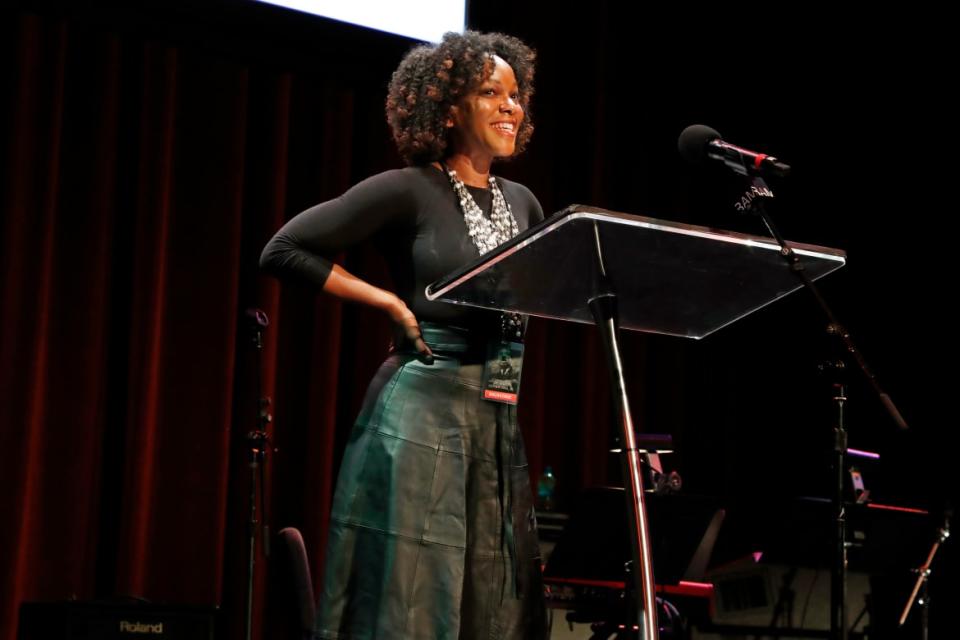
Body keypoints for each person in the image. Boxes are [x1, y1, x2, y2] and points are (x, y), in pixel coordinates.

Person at [260, 31, 547, 639]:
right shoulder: (408, 188)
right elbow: (283, 249)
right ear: (448, 109)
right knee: (413, 593)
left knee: (489, 594)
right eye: (489, 92)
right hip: (421, 413)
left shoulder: (524, 204)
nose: (509, 107)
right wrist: (387, 301)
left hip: (495, 418)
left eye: (515, 95)